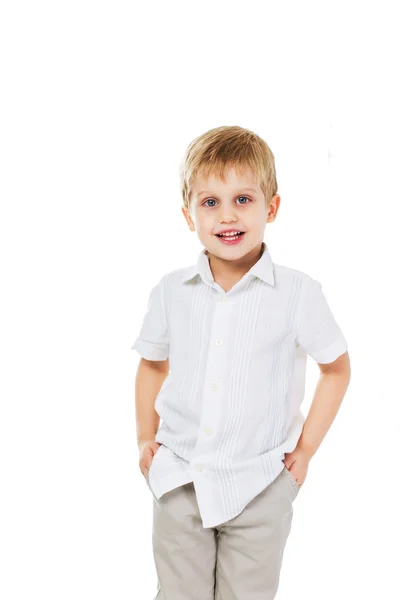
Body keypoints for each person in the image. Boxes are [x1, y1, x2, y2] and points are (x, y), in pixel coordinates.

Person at [132, 125, 351, 600]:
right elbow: (152, 364)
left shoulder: (298, 293)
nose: (227, 216)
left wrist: (305, 452)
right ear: (188, 215)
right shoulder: (171, 291)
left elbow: (336, 368)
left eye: (243, 200)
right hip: (180, 478)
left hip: (260, 484)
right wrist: (146, 439)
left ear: (271, 206)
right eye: (209, 202)